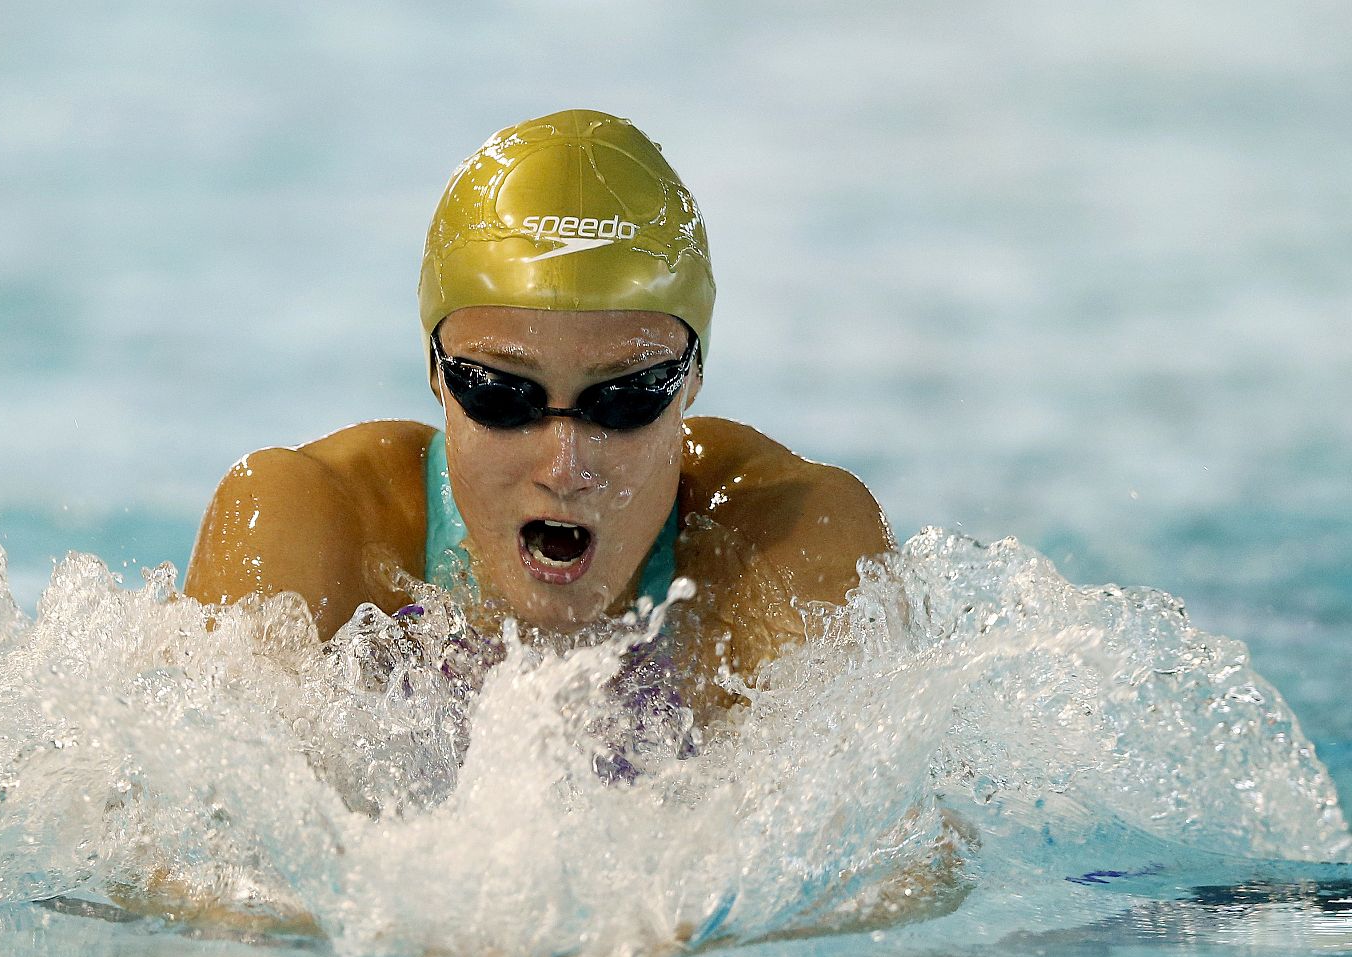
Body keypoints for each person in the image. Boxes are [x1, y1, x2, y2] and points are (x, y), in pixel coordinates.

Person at [185, 109, 892, 716]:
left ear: (694, 378)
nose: (565, 465)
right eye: (501, 394)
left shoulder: (782, 545)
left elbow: (897, 869)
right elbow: (181, 862)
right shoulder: (313, 527)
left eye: (623, 399)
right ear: (436, 373)